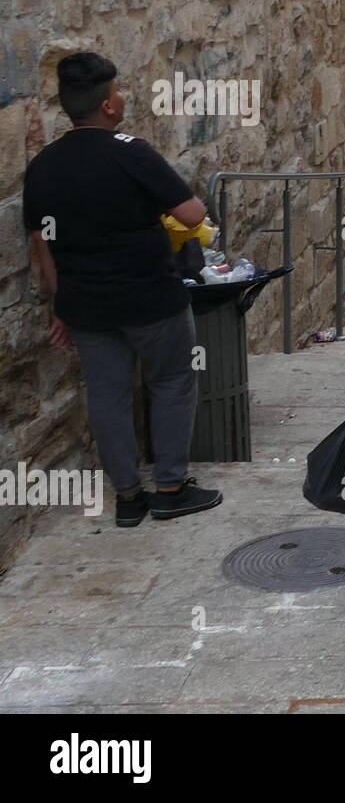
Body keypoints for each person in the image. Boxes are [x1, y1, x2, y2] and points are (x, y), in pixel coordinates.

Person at [22, 52, 222, 527]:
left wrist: (60, 306)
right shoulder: (132, 151)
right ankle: (171, 487)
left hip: (86, 306)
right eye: (119, 90)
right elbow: (193, 214)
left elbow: (42, 246)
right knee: (172, 382)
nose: (124, 96)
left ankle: (129, 497)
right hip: (152, 297)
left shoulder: (43, 166)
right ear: (109, 105)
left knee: (107, 396)